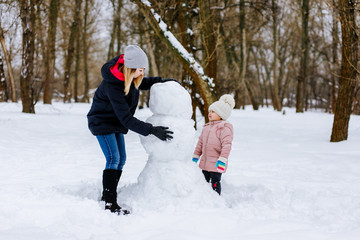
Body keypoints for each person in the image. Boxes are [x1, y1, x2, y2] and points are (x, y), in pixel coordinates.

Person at [87, 45, 174, 214]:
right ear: (130, 68)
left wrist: (163, 81)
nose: (142, 73)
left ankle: (108, 195)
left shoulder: (130, 78)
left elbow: (144, 82)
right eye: (140, 70)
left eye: (143, 70)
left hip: (114, 122)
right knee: (113, 158)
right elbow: (126, 119)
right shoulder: (113, 85)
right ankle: (110, 203)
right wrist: (151, 130)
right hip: (102, 122)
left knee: (122, 158)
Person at [192, 95, 235, 195]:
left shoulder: (224, 128)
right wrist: (196, 156)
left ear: (221, 115)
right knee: (204, 182)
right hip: (205, 162)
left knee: (215, 183)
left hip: (217, 163)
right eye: (209, 111)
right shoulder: (206, 127)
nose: (210, 114)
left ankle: (216, 200)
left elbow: (227, 146)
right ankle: (206, 199)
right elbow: (200, 143)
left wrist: (222, 160)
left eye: (213, 112)